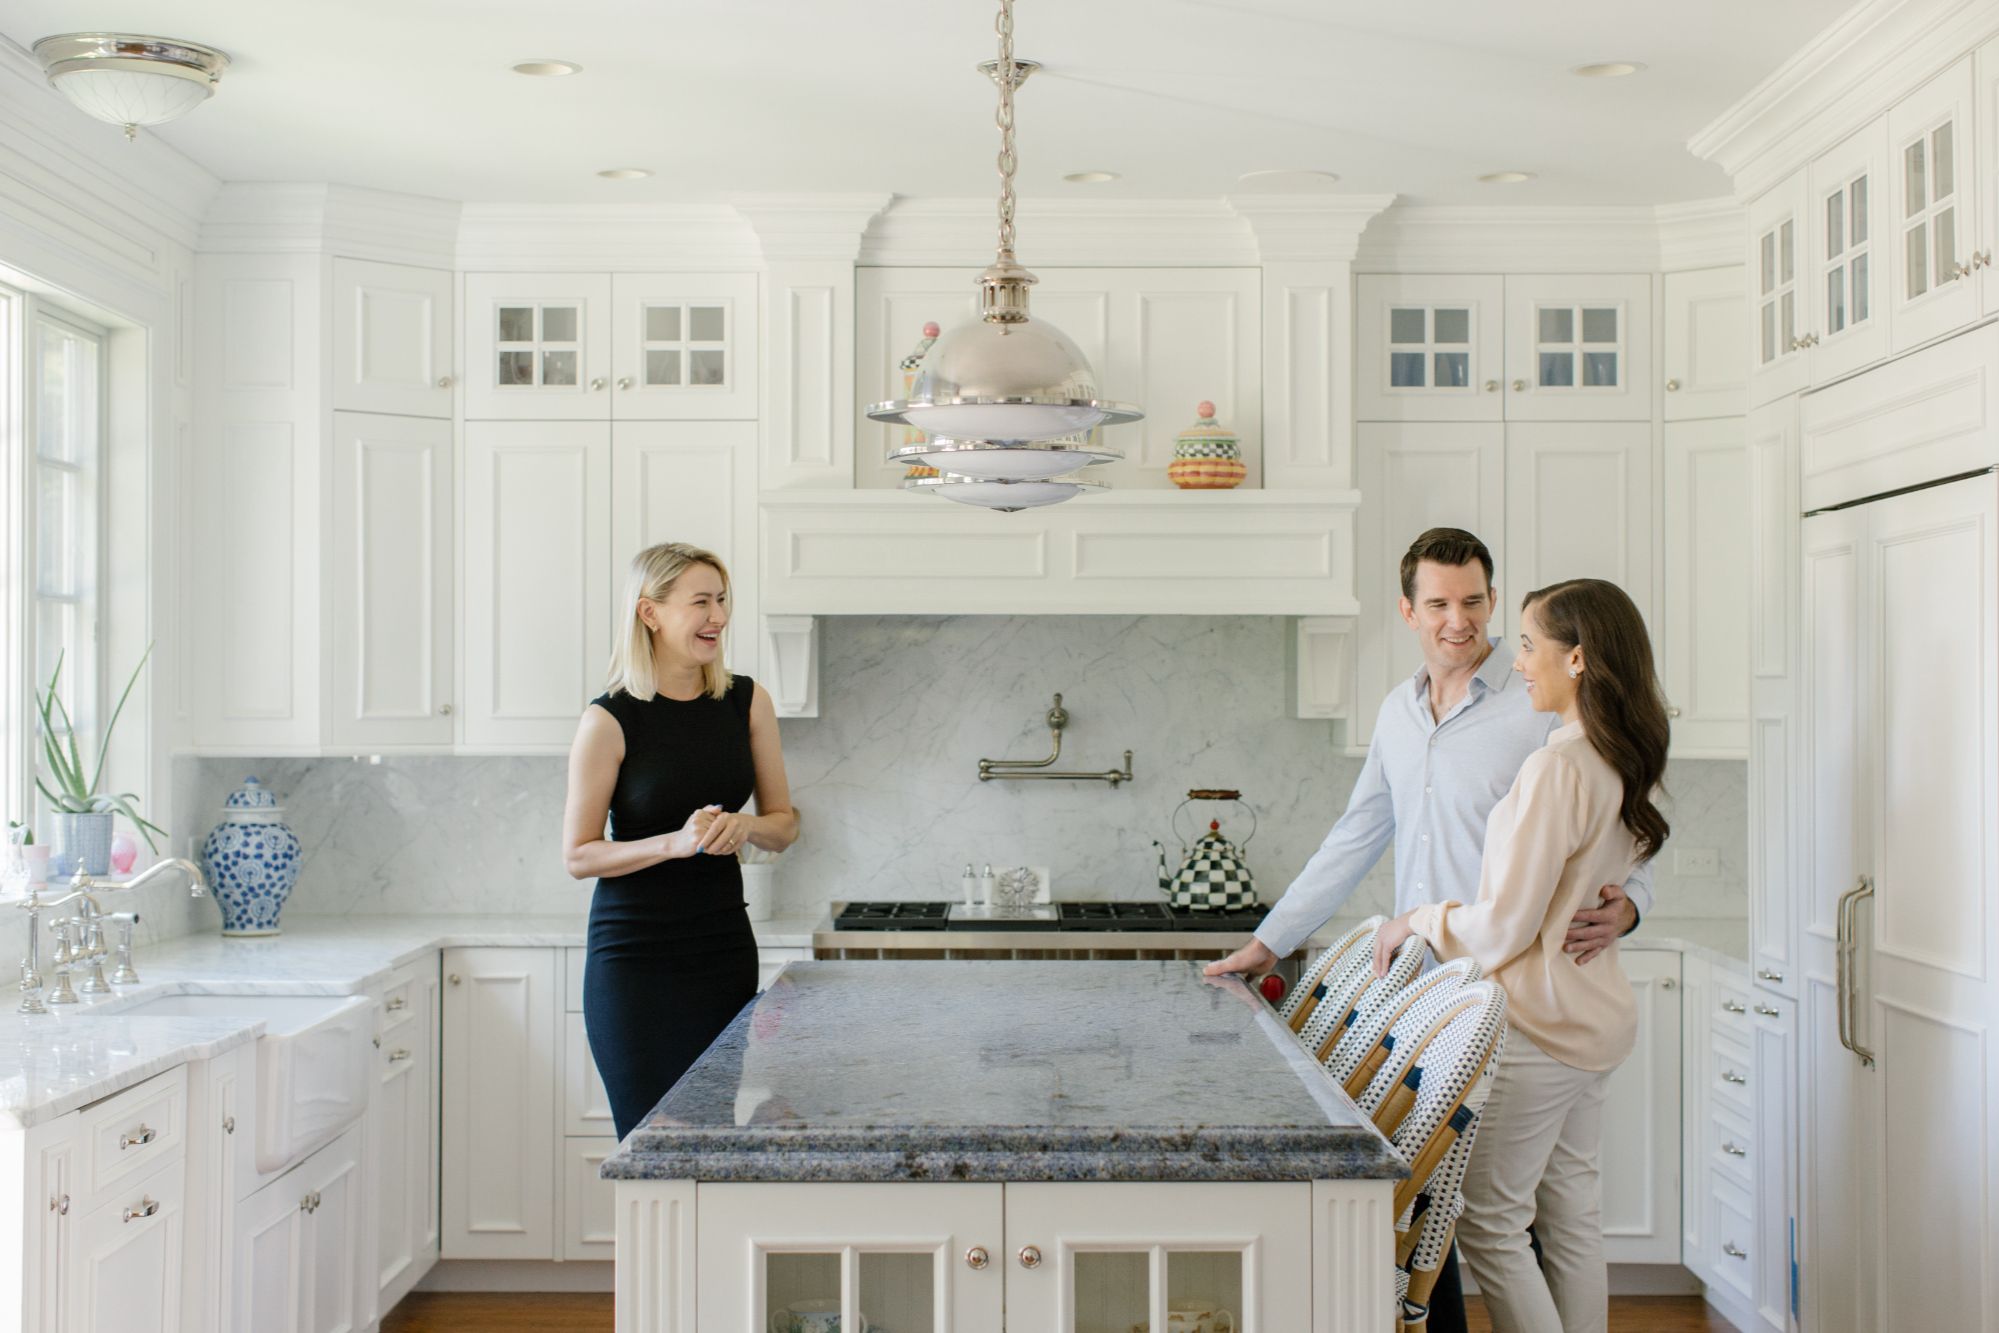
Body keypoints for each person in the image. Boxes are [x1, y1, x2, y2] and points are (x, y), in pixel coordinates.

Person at [1205, 528, 1653, 1332]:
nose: (1460, 620)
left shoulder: (1539, 710)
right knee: (1442, 1198)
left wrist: (1628, 904)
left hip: (1507, 996)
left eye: (1474, 601)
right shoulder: (1398, 711)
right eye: (1439, 603)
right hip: (1429, 990)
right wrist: (1269, 941)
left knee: (1487, 1213)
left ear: (1493, 601)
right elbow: (1354, 835)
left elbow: (1631, 815)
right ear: (1408, 610)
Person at [1370, 579, 1670, 1333]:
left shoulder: (1556, 767)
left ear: (1577, 659)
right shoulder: (1620, 756)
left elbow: (1505, 925)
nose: (1518, 661)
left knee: (1491, 1223)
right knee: (1572, 1217)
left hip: (1537, 1028)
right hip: (1594, 1021)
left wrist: (1417, 919)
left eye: (1530, 645)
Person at [562, 542, 799, 1140]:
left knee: (709, 1139)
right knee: (653, 1144)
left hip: (722, 952)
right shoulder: (609, 719)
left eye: (721, 600)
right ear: (650, 613)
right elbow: (579, 854)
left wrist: (746, 826)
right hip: (634, 962)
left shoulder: (747, 702)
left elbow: (783, 823)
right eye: (701, 602)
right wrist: (673, 843)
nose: (719, 616)